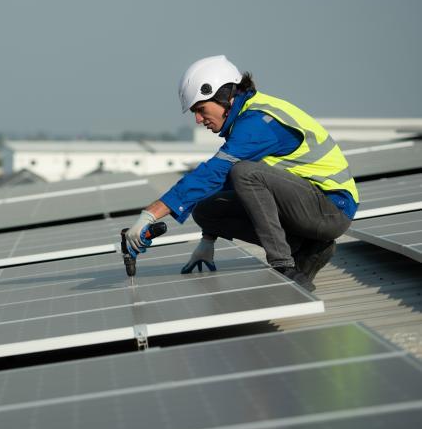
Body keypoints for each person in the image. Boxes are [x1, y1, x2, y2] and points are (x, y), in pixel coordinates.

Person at [124, 55, 358, 291]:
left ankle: (284, 267)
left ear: (225, 96)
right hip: (308, 207)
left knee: (244, 173)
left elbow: (215, 173)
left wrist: (150, 215)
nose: (198, 119)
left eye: (201, 109)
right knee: (206, 209)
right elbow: (222, 181)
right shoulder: (247, 118)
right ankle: (307, 247)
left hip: (331, 209)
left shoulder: (259, 122)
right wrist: (208, 239)